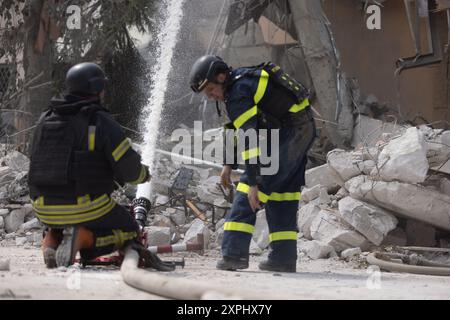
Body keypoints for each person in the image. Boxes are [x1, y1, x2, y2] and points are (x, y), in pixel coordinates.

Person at [189, 55, 316, 272]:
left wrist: (254, 182)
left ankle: (233, 255)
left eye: (210, 89)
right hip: (300, 131)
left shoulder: (238, 91)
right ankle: (283, 258)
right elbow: (235, 127)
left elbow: (249, 138)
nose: (210, 96)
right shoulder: (239, 84)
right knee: (283, 194)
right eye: (206, 94)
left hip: (291, 133)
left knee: (247, 191)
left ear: (220, 76)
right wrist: (228, 165)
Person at [28, 62, 150, 268]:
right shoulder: (100, 120)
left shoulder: (45, 118)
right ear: (97, 89)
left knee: (61, 219)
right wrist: (144, 176)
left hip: (42, 207)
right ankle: (82, 238)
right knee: (130, 229)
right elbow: (129, 170)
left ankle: (51, 239)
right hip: (85, 204)